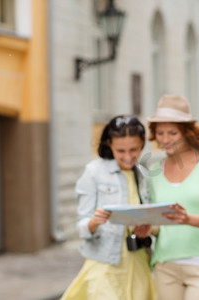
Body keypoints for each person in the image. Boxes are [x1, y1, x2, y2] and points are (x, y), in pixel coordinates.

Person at [61, 115, 156, 300]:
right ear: (109, 144)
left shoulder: (143, 173)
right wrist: (94, 222)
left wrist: (146, 229)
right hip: (105, 265)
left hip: (138, 263)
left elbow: (148, 216)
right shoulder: (94, 172)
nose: (128, 157)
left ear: (142, 144)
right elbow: (82, 226)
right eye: (120, 150)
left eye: (134, 150)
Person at [146, 94, 199, 300]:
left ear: (188, 132)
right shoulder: (155, 170)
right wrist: (147, 228)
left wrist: (188, 219)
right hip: (166, 264)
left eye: (172, 132)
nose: (165, 140)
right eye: (160, 133)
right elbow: (161, 224)